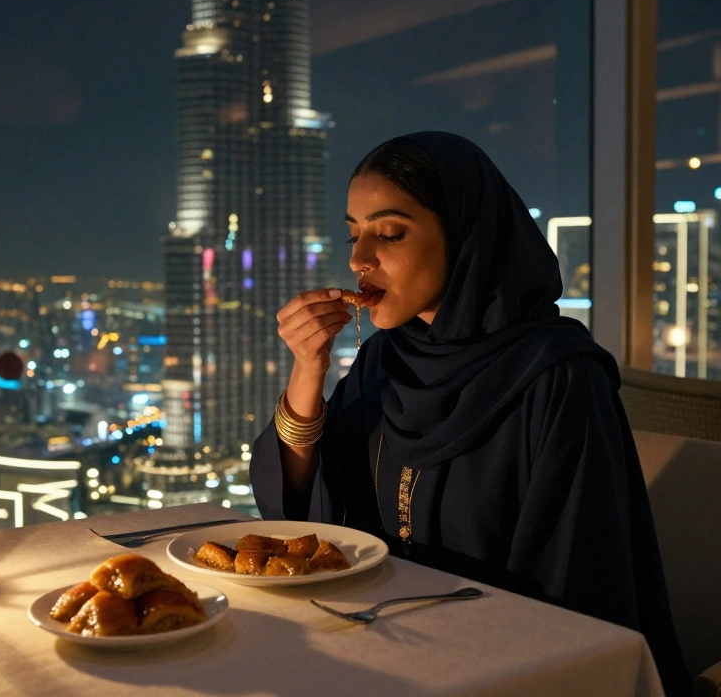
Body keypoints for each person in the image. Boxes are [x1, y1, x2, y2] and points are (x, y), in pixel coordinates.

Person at [250, 132, 691, 695]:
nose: (359, 259)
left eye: (388, 233)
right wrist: (308, 370)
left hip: (505, 668)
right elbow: (301, 518)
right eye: (353, 234)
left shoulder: (557, 376)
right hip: (379, 651)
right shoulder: (388, 358)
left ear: (464, 236)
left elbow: (573, 590)